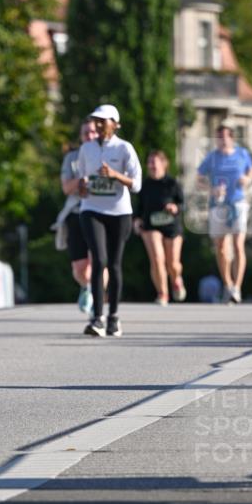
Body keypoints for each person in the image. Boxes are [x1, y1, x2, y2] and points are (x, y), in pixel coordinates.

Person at [77, 104, 141, 337]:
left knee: (113, 264)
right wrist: (82, 187)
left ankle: (113, 316)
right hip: (92, 210)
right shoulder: (86, 149)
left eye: (103, 121)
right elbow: (81, 181)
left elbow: (137, 184)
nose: (99, 125)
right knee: (99, 260)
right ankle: (97, 318)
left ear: (115, 124)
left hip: (119, 212)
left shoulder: (124, 148)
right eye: (97, 121)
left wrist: (114, 175)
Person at [196, 121, 252, 304]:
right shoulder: (212, 157)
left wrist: (247, 179)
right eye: (218, 137)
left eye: (224, 136)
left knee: (238, 244)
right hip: (218, 204)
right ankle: (228, 284)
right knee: (221, 248)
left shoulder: (242, 154)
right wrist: (211, 189)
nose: (221, 140)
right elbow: (199, 179)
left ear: (232, 138)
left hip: (238, 202)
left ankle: (237, 287)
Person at [56, 118, 98, 315]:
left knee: (98, 260)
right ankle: (86, 286)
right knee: (80, 268)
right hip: (77, 213)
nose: (89, 136)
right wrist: (82, 179)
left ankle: (98, 299)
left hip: (100, 212)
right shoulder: (72, 158)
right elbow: (66, 188)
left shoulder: (106, 154)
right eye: (85, 133)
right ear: (81, 137)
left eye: (92, 132)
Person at [134, 150, 186, 305]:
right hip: (150, 225)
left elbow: (183, 204)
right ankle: (162, 293)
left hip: (171, 226)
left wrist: (175, 208)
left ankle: (176, 279)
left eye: (154, 162)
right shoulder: (144, 185)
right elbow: (139, 206)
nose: (151, 165)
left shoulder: (172, 183)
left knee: (173, 264)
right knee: (157, 259)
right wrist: (136, 220)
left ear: (164, 164)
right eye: (149, 162)